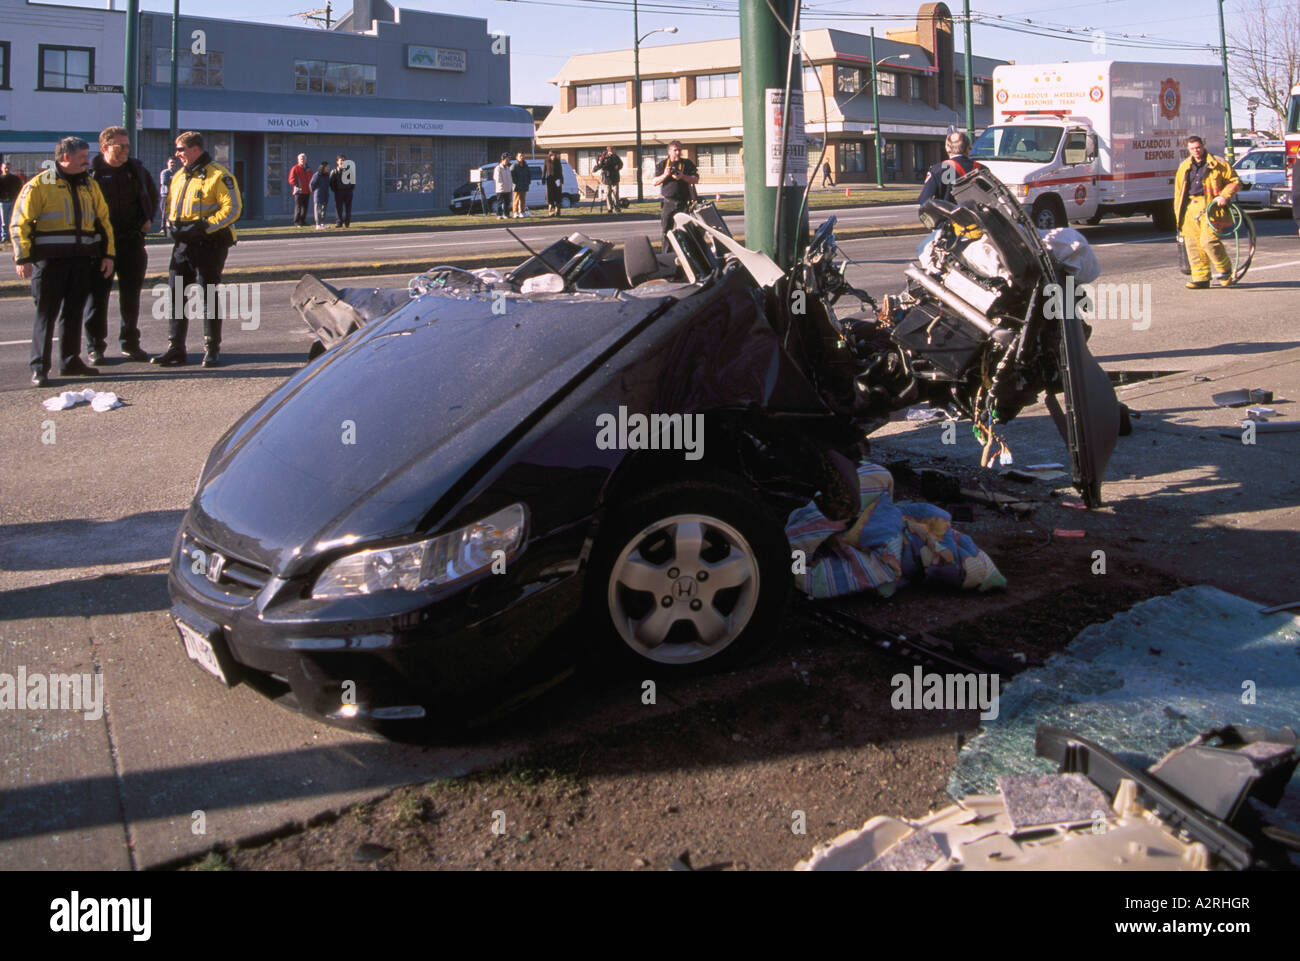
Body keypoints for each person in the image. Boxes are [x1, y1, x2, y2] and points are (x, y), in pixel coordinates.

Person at [10, 137, 115, 387]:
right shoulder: (40, 184)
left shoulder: (89, 184)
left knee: (73, 313)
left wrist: (108, 255)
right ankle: (40, 368)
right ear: (65, 157)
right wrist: (23, 257)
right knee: (45, 315)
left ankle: (70, 361)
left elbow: (103, 221)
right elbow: (20, 223)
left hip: (81, 261)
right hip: (49, 263)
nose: (87, 161)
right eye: (82, 157)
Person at [155, 131, 242, 368]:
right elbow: (171, 205)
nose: (177, 154)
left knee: (208, 295)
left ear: (195, 149)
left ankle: (211, 348)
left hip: (209, 243)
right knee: (175, 295)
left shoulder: (218, 175)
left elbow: (233, 208)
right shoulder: (179, 176)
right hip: (183, 244)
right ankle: (176, 348)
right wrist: (171, 226)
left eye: (181, 149)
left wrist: (204, 227)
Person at [83, 126, 159, 365]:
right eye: (121, 146)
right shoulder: (90, 174)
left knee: (130, 297)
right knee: (97, 298)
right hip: (100, 246)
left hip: (131, 242)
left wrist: (147, 219)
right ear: (105, 147)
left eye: (127, 145)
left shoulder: (135, 171)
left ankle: (130, 343)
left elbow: (152, 196)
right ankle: (95, 347)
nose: (126, 150)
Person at [1173, 135, 1240, 288]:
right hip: (1190, 207)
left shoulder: (1218, 163)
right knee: (1192, 244)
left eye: (1198, 147)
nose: (1196, 151)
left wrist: (1224, 195)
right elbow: (1178, 192)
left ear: (1203, 145)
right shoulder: (1184, 167)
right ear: (1188, 149)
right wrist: (1179, 214)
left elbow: (1235, 181)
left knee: (1208, 241)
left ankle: (1226, 271)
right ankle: (1201, 278)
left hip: (1211, 207)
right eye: (1192, 149)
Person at [652, 140, 699, 250]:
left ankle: (687, 254)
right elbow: (654, 182)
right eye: (675, 150)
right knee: (666, 231)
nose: (678, 153)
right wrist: (665, 174)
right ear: (669, 152)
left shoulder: (687, 164)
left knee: (686, 230)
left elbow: (695, 179)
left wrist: (682, 176)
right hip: (669, 202)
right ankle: (666, 254)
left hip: (684, 202)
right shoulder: (662, 164)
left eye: (679, 150)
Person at [917, 131, 978, 206]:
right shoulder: (980, 168)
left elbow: (924, 200)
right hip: (976, 216)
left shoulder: (938, 169)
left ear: (947, 148)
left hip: (948, 216)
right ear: (968, 148)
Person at [595, 146, 623, 214]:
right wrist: (595, 169)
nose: (614, 151)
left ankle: (617, 207)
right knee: (608, 193)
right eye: (613, 150)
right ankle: (609, 208)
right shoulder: (604, 157)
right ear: (610, 150)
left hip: (615, 177)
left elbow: (621, 164)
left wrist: (618, 167)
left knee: (616, 193)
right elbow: (600, 165)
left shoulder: (616, 157)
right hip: (607, 178)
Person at [0, 161, 23, 244]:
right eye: (5, 167)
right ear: (1, 168)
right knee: (4, 221)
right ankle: (4, 237)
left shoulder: (15, 179)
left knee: (12, 220)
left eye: (8, 167)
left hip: (13, 201)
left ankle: (11, 236)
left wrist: (16, 198)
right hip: (3, 202)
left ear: (11, 168)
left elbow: (19, 189)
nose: (7, 169)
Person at [330, 154, 355, 227]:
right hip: (338, 192)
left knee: (348, 208)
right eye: (341, 160)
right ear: (337, 162)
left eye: (344, 160)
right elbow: (331, 183)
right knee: (338, 208)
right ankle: (339, 222)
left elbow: (353, 182)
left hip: (348, 192)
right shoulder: (334, 171)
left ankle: (347, 222)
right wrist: (336, 190)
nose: (342, 162)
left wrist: (350, 189)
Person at [287, 153, 311, 226]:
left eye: (304, 159)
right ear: (298, 160)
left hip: (307, 190)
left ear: (306, 160)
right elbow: (291, 179)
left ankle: (303, 221)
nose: (302, 160)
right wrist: (297, 184)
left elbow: (311, 178)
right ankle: (296, 221)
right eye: (301, 159)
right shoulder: (295, 168)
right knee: (298, 207)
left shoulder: (308, 169)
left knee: (305, 207)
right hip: (298, 191)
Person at [510, 151, 532, 218]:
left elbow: (529, 174)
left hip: (524, 185)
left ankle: (522, 212)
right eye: (520, 156)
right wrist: (515, 182)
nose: (521, 157)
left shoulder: (526, 165)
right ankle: (515, 212)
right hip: (517, 186)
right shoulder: (514, 165)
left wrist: (528, 182)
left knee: (523, 200)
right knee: (516, 199)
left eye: (522, 156)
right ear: (517, 157)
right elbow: (511, 176)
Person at [309, 161, 330, 230]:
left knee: (324, 210)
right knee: (318, 210)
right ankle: (317, 224)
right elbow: (312, 184)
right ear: (323, 167)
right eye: (327, 167)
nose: (328, 168)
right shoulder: (317, 175)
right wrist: (314, 191)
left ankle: (322, 224)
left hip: (325, 195)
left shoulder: (327, 175)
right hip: (318, 195)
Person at [492, 152, 513, 220]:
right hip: (500, 189)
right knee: (500, 202)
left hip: (508, 188)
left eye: (508, 160)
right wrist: (502, 184)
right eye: (506, 160)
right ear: (502, 160)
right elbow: (497, 178)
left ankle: (506, 214)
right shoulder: (498, 168)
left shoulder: (508, 168)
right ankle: (499, 214)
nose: (507, 161)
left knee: (507, 202)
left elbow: (510, 178)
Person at [158, 158, 176, 235]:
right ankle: (162, 228)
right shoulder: (165, 172)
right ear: (167, 163)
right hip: (166, 195)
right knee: (164, 212)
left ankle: (172, 228)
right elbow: (164, 182)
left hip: (174, 196)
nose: (172, 164)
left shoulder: (176, 173)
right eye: (171, 162)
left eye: (174, 163)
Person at [543, 150, 564, 216]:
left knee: (558, 195)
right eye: (552, 155)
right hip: (550, 180)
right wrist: (543, 179)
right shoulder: (546, 161)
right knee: (550, 195)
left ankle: (558, 211)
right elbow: (544, 170)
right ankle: (551, 211)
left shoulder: (558, 161)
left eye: (554, 155)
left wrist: (561, 180)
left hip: (557, 180)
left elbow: (561, 171)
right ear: (549, 155)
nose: (553, 156)